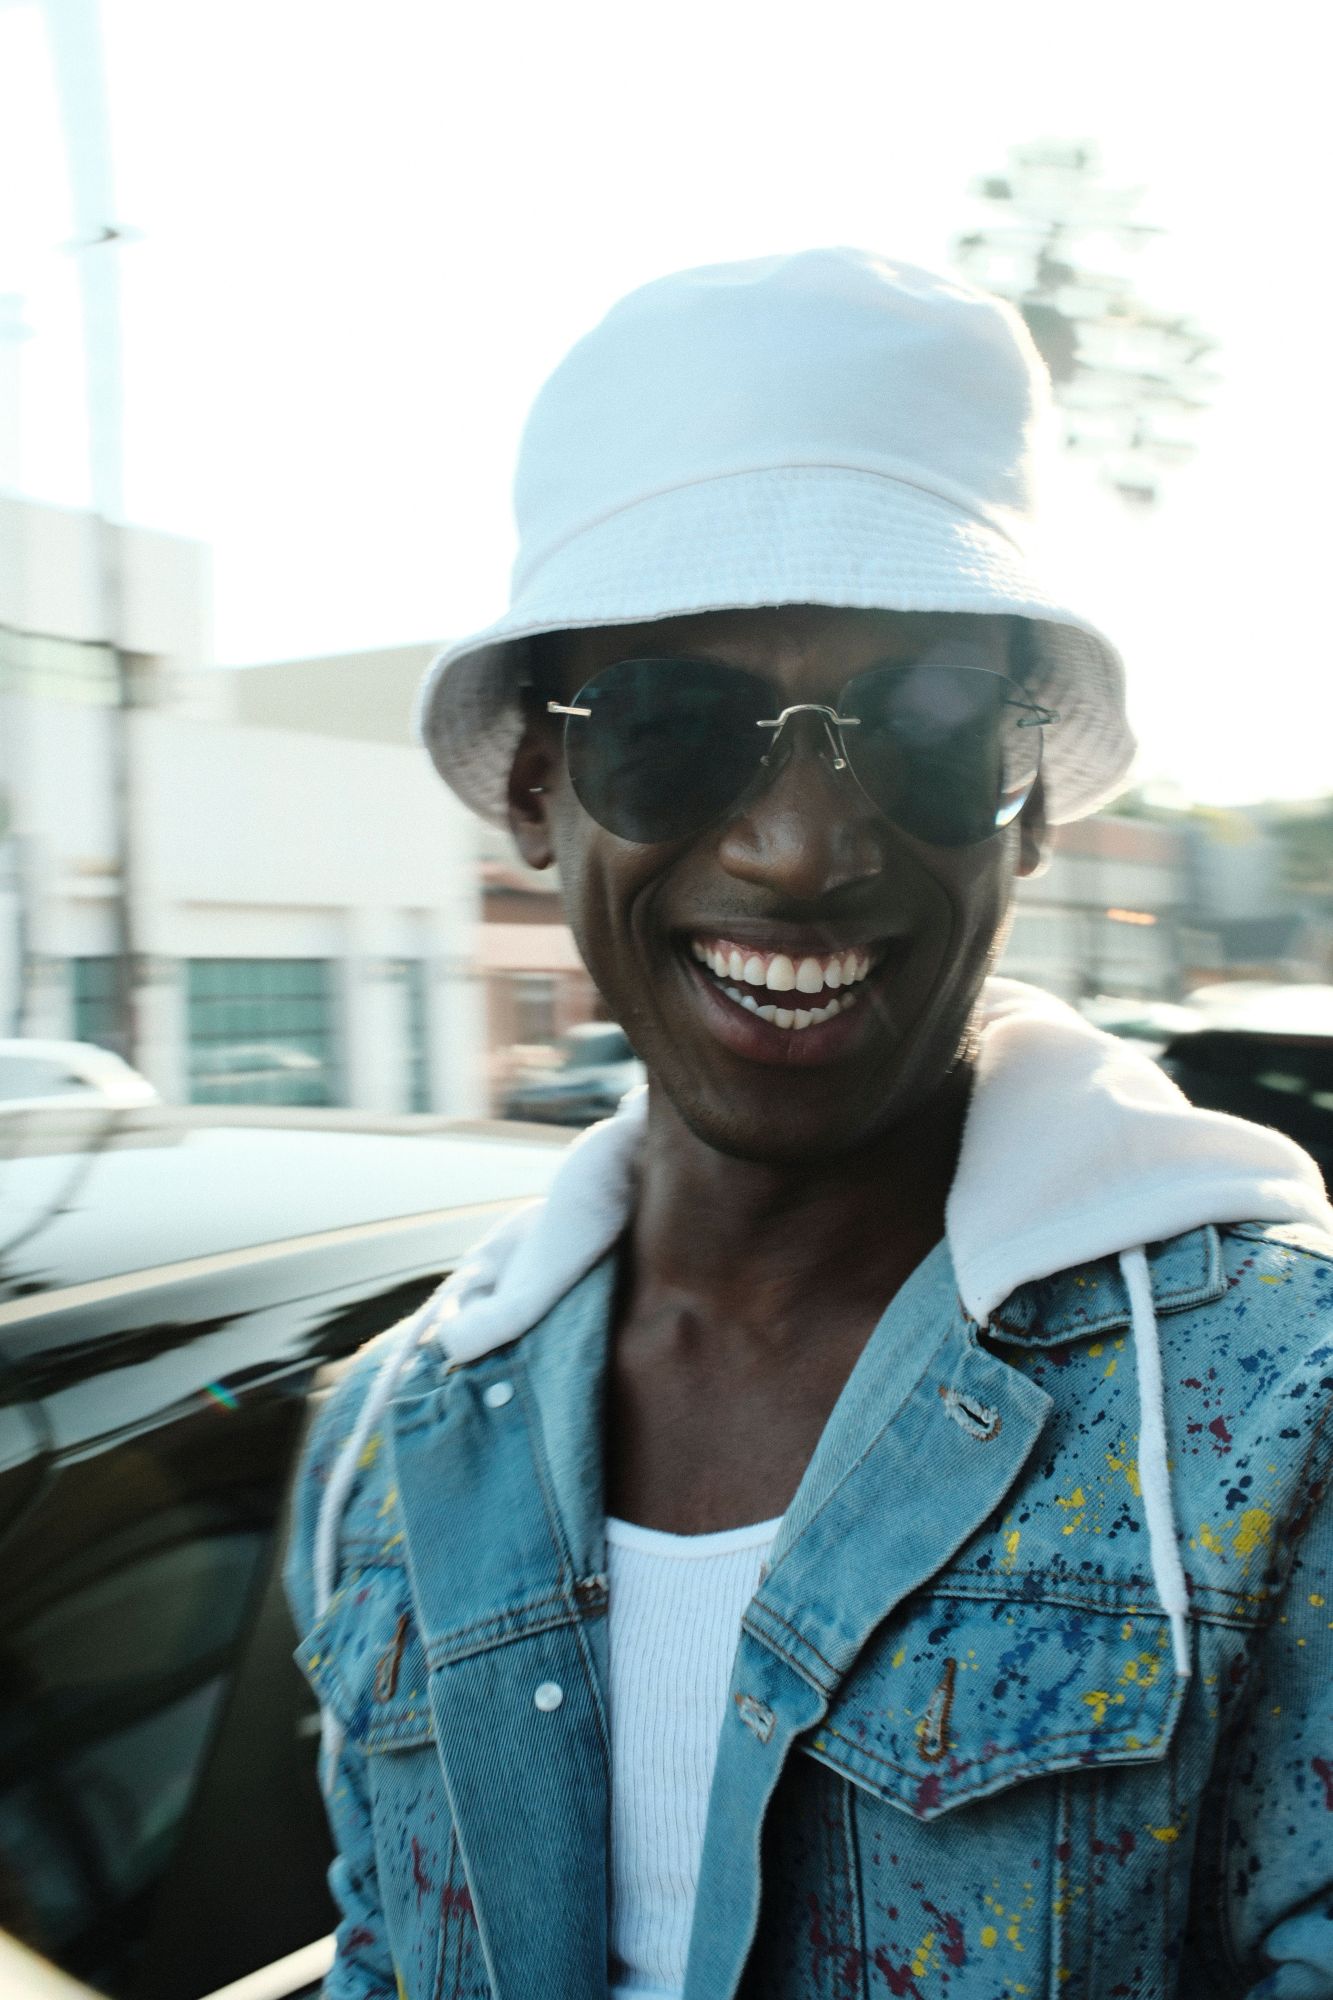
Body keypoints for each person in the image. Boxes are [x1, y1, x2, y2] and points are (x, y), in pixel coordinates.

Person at [285, 250, 1333, 2000]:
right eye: (669, 729)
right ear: (538, 791)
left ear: (1028, 804)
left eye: (922, 728)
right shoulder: (387, 1449)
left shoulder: (1277, 1410)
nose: (798, 848)